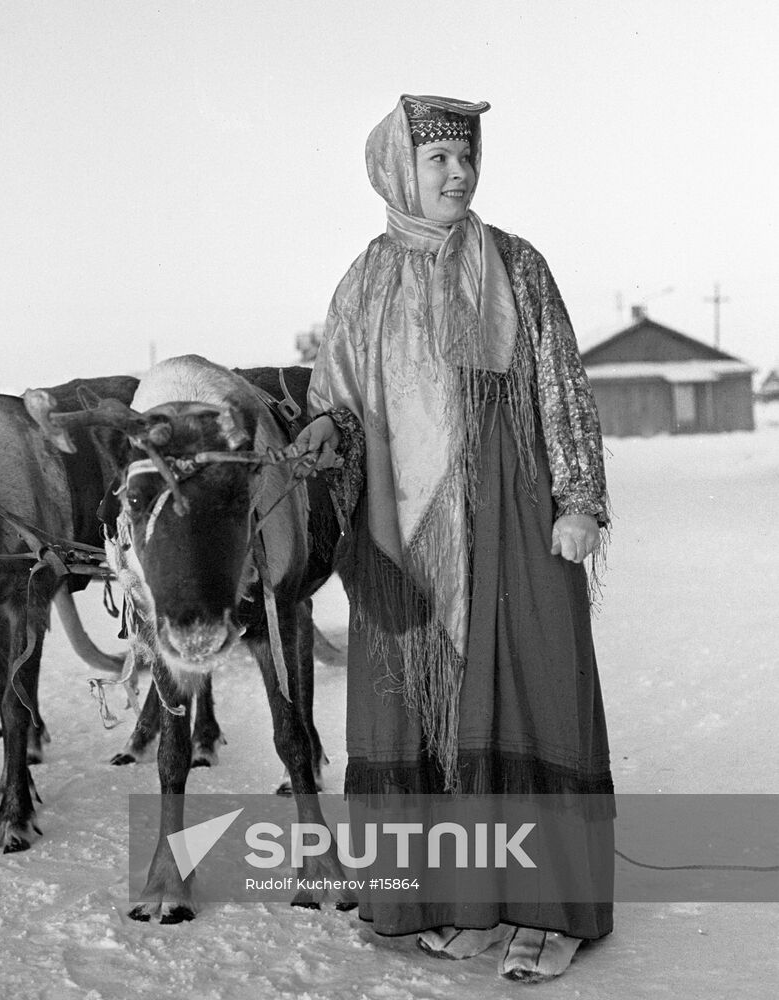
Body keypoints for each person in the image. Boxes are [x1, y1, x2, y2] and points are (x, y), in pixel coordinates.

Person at [295, 95, 614, 984]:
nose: (457, 174)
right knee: (423, 716)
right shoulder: (364, 280)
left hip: (511, 513)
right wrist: (323, 431)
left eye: (464, 158)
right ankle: (449, 902)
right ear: (398, 168)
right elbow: (339, 400)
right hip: (404, 530)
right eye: (437, 160)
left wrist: (578, 496)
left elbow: (562, 385)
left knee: (531, 689)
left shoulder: (513, 264)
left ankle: (547, 910)